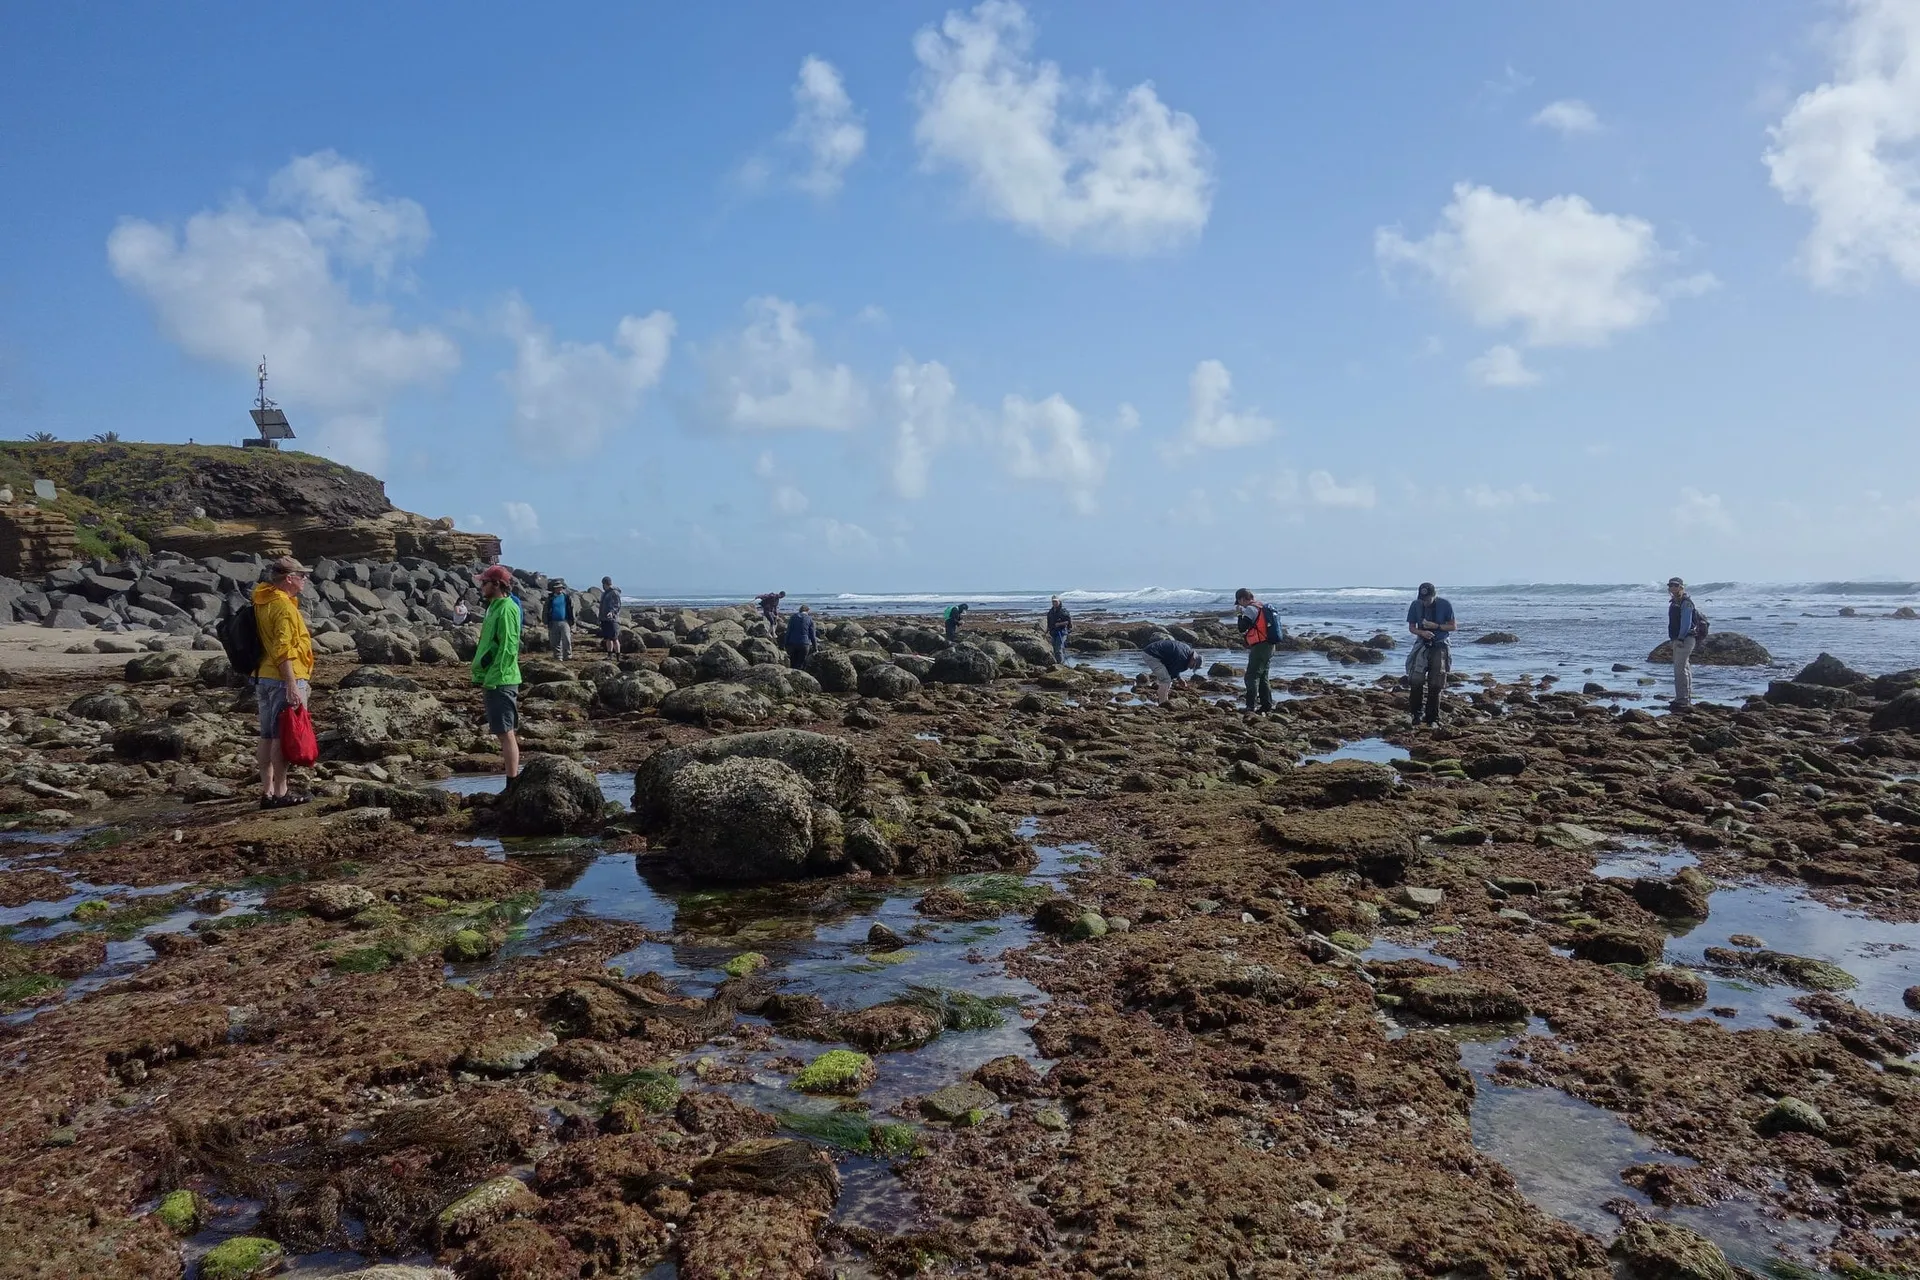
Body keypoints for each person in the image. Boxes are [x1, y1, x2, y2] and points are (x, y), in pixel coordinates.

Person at [253, 555, 315, 809]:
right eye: (302, 575)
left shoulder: (262, 599)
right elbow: (284, 649)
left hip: (263, 676)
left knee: (267, 735)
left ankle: (267, 791)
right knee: (281, 737)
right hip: (282, 679)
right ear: (289, 579)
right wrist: (291, 684)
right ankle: (280, 793)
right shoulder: (284, 608)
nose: (305, 579)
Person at [473, 565, 524, 780]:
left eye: (484, 582)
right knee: (503, 732)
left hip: (501, 680)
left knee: (506, 732)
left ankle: (512, 781)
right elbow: (490, 645)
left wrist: (494, 677)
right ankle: (510, 779)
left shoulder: (507, 608)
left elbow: (508, 646)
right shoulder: (493, 607)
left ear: (496, 584)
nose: (481, 586)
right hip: (492, 678)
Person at [1406, 582, 1456, 726]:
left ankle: (1432, 718)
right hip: (1422, 645)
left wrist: (1437, 627)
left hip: (1440, 645)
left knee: (1436, 683)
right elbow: (1411, 627)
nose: (1425, 602)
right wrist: (1422, 632)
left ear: (1434, 595)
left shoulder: (1445, 604)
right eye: (1423, 599)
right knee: (1416, 680)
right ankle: (1416, 714)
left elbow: (1453, 626)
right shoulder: (1415, 605)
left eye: (1427, 599)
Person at [1235, 587, 1283, 716]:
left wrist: (1239, 614)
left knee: (1251, 676)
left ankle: (1250, 706)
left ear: (1242, 599)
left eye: (1239, 602)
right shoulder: (1261, 606)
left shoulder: (1250, 609)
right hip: (1270, 645)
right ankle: (1266, 705)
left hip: (1260, 646)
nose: (1239, 605)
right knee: (1263, 676)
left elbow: (1242, 627)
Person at [1666, 577, 1705, 713]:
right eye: (1670, 585)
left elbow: (1686, 622)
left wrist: (1681, 638)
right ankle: (1684, 698)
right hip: (1678, 638)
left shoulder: (1686, 602)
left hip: (1685, 639)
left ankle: (1682, 699)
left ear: (1681, 587)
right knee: (1684, 667)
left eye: (1675, 585)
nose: (1673, 587)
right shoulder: (1674, 602)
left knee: (1680, 669)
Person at [1141, 635, 1204, 705]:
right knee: (1165, 680)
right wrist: (1178, 678)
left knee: (1167, 679)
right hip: (1151, 654)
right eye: (1193, 666)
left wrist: (1179, 678)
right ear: (1193, 659)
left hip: (1154, 652)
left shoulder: (1186, 650)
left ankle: (1163, 700)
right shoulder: (1182, 658)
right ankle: (1163, 703)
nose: (1191, 668)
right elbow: (1172, 671)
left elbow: (1173, 667)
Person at [544, 581, 574, 660]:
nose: (559, 589)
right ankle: (558, 657)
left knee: (567, 639)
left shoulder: (567, 597)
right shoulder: (550, 598)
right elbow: (545, 610)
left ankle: (567, 656)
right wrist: (545, 621)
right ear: (554, 589)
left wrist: (572, 620)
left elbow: (571, 609)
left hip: (565, 621)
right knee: (554, 641)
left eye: (560, 587)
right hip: (553, 622)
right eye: (557, 588)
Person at [783, 603, 817, 669]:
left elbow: (788, 631)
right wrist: (815, 647)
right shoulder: (809, 619)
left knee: (792, 663)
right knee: (801, 663)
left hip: (792, 643)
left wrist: (785, 643)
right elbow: (812, 635)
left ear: (800, 610)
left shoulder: (793, 617)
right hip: (804, 643)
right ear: (808, 611)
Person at [599, 576, 622, 656]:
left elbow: (617, 605)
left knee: (614, 638)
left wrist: (612, 612)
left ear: (605, 584)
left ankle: (618, 655)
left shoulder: (614, 592)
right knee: (608, 638)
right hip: (604, 619)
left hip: (613, 620)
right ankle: (609, 655)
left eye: (603, 584)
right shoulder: (604, 593)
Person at [1046, 596, 1073, 664]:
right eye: (1053, 602)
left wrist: (1059, 624)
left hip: (1062, 632)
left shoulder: (1063, 611)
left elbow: (1068, 622)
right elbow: (1049, 621)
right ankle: (1059, 662)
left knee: (1058, 648)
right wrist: (1047, 629)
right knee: (1054, 649)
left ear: (1059, 602)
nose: (1054, 603)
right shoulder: (1051, 611)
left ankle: (1060, 664)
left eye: (1056, 601)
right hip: (1053, 632)